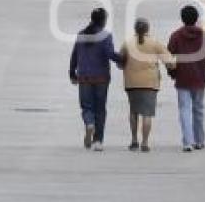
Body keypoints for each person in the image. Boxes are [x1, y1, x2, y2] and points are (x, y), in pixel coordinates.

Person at [167, 5, 205, 152]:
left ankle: (187, 142)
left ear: (182, 19)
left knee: (184, 110)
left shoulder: (175, 36)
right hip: (199, 80)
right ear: (196, 19)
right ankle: (199, 141)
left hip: (182, 80)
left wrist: (173, 73)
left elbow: (168, 58)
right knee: (198, 109)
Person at [68, 8, 123, 151]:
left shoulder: (81, 34)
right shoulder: (105, 35)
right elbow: (110, 54)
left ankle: (89, 124)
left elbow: (75, 55)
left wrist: (72, 73)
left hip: (84, 77)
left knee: (87, 107)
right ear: (103, 21)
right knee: (100, 109)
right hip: (101, 78)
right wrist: (124, 59)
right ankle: (98, 141)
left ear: (92, 19)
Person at [119, 18, 174, 152]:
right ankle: (145, 142)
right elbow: (171, 63)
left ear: (135, 29)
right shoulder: (155, 43)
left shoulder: (127, 43)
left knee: (133, 111)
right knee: (147, 114)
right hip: (150, 83)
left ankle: (133, 140)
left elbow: (120, 63)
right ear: (148, 29)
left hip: (131, 82)